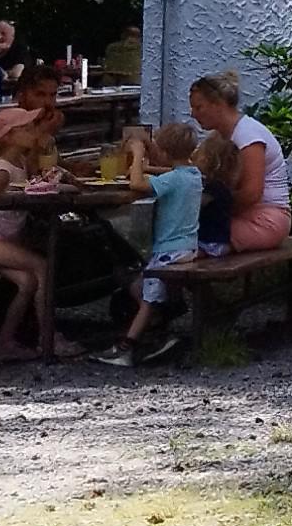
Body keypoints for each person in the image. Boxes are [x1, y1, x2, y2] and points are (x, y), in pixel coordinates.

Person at [95, 122, 229, 369]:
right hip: (187, 247)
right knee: (145, 285)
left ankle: (128, 346)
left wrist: (137, 156)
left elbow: (137, 185)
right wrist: (148, 167)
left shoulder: (172, 180)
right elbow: (168, 173)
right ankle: (163, 328)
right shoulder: (193, 176)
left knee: (148, 297)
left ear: (165, 153)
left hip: (168, 251)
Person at [0, 99, 69, 362]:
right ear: (9, 137)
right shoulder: (3, 171)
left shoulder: (20, 164)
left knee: (27, 282)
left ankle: (4, 343)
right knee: (42, 267)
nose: (32, 133)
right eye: (26, 129)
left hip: (7, 240)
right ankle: (49, 337)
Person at [186, 74, 292, 250]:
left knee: (185, 238)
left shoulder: (248, 137)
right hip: (246, 216)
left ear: (219, 105)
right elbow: (190, 170)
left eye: (199, 107)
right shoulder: (222, 136)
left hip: (265, 220)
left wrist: (214, 211)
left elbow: (252, 194)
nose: (193, 114)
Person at [0, 63, 69, 164]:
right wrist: (42, 131)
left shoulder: (43, 124)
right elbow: (25, 167)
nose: (48, 102)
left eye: (52, 95)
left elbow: (55, 166)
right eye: (40, 95)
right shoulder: (8, 123)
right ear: (21, 96)